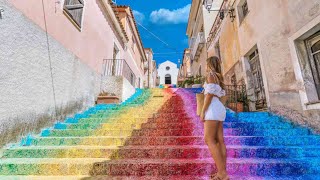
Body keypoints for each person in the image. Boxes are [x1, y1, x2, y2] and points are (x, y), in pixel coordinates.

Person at [200, 56, 228, 180]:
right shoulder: (219, 78)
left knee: (209, 139)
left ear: (209, 64)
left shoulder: (211, 75)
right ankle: (222, 172)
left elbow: (210, 94)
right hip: (219, 107)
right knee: (219, 140)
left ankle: (222, 173)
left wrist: (203, 111)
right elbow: (221, 95)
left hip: (212, 107)